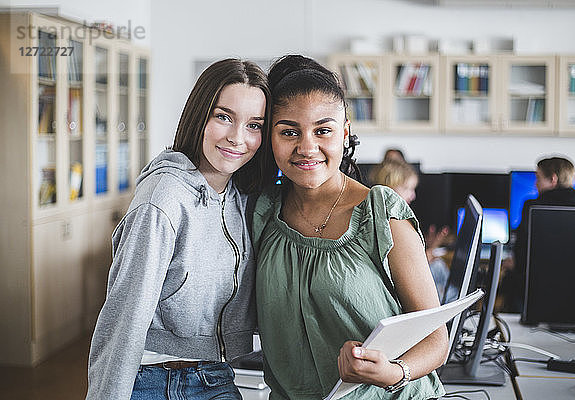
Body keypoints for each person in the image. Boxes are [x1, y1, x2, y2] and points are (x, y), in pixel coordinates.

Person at [252, 55, 447, 399]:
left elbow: (436, 339)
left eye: (323, 130)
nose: (306, 147)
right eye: (289, 132)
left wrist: (394, 372)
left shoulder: (380, 213)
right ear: (270, 136)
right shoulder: (263, 210)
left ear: (344, 133)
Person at [86, 59, 270, 400]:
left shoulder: (240, 198)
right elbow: (123, 317)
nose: (237, 137)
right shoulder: (164, 198)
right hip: (154, 381)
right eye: (223, 117)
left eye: (254, 125)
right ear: (199, 116)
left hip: (215, 373)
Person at [501, 156, 575, 312]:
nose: (535, 183)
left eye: (538, 177)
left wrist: (514, 263)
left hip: (534, 294)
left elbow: (522, 255)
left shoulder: (532, 207)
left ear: (553, 179)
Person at [370, 159, 451, 300]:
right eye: (407, 188)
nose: (413, 196)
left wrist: (429, 247)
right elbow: (403, 268)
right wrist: (430, 252)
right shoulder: (391, 222)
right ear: (390, 188)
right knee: (439, 269)